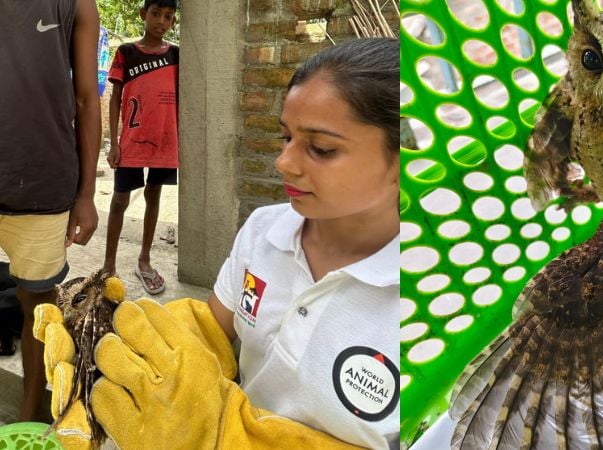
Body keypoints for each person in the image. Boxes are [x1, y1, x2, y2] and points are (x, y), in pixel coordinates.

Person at [36, 37, 399, 449]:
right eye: (285, 138)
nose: (284, 162)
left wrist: (217, 433)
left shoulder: (438, 306)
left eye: (320, 148)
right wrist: (127, 346)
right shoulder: (267, 230)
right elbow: (215, 328)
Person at [0, 0, 100, 422]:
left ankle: (29, 414)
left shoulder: (77, 4)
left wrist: (86, 193)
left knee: (37, 305)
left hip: (41, 182)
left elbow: (85, 98)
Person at [103, 0, 179, 295]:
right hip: (131, 143)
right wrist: (113, 142)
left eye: (168, 16)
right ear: (143, 14)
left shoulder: (175, 55)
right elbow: (115, 98)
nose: (162, 21)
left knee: (153, 196)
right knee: (120, 200)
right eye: (156, 14)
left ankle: (144, 260)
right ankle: (108, 264)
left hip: (164, 142)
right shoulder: (126, 53)